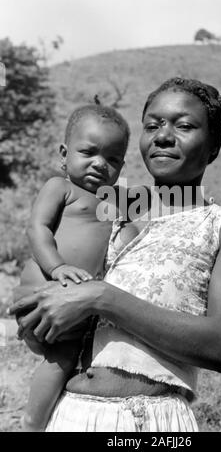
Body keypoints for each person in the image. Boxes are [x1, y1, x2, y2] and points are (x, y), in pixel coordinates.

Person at [10, 77, 221, 432]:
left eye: (184, 126)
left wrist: (101, 298)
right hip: (69, 415)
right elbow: (48, 246)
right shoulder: (111, 203)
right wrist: (34, 305)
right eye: (152, 125)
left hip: (154, 424)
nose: (162, 136)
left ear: (214, 146)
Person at [14, 102, 130, 431]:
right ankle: (31, 425)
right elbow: (37, 229)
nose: (99, 164)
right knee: (61, 357)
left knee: (62, 361)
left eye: (112, 159)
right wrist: (57, 267)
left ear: (122, 166)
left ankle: (37, 419)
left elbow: (144, 218)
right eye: (88, 152)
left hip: (75, 308)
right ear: (64, 154)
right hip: (42, 289)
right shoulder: (60, 188)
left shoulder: (114, 202)